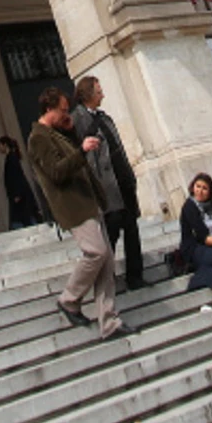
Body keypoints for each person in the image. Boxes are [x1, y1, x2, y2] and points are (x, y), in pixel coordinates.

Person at [25, 88, 126, 337]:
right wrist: (81, 151)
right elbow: (57, 172)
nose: (66, 114)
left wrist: (71, 133)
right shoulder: (38, 138)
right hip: (73, 207)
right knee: (96, 252)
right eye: (62, 110)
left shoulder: (57, 133)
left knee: (106, 262)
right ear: (48, 109)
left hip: (88, 202)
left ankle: (109, 322)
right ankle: (69, 299)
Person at [72, 75, 146, 291]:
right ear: (87, 94)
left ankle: (135, 276)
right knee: (110, 231)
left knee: (131, 229)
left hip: (122, 181)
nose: (102, 94)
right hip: (105, 186)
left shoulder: (105, 117)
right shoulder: (77, 120)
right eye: (98, 91)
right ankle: (107, 279)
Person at [0, 134, 42, 228]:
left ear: (5, 145)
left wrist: (17, 194)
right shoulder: (11, 158)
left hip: (19, 197)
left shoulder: (11, 159)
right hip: (19, 196)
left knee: (23, 220)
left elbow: (17, 176)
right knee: (24, 219)